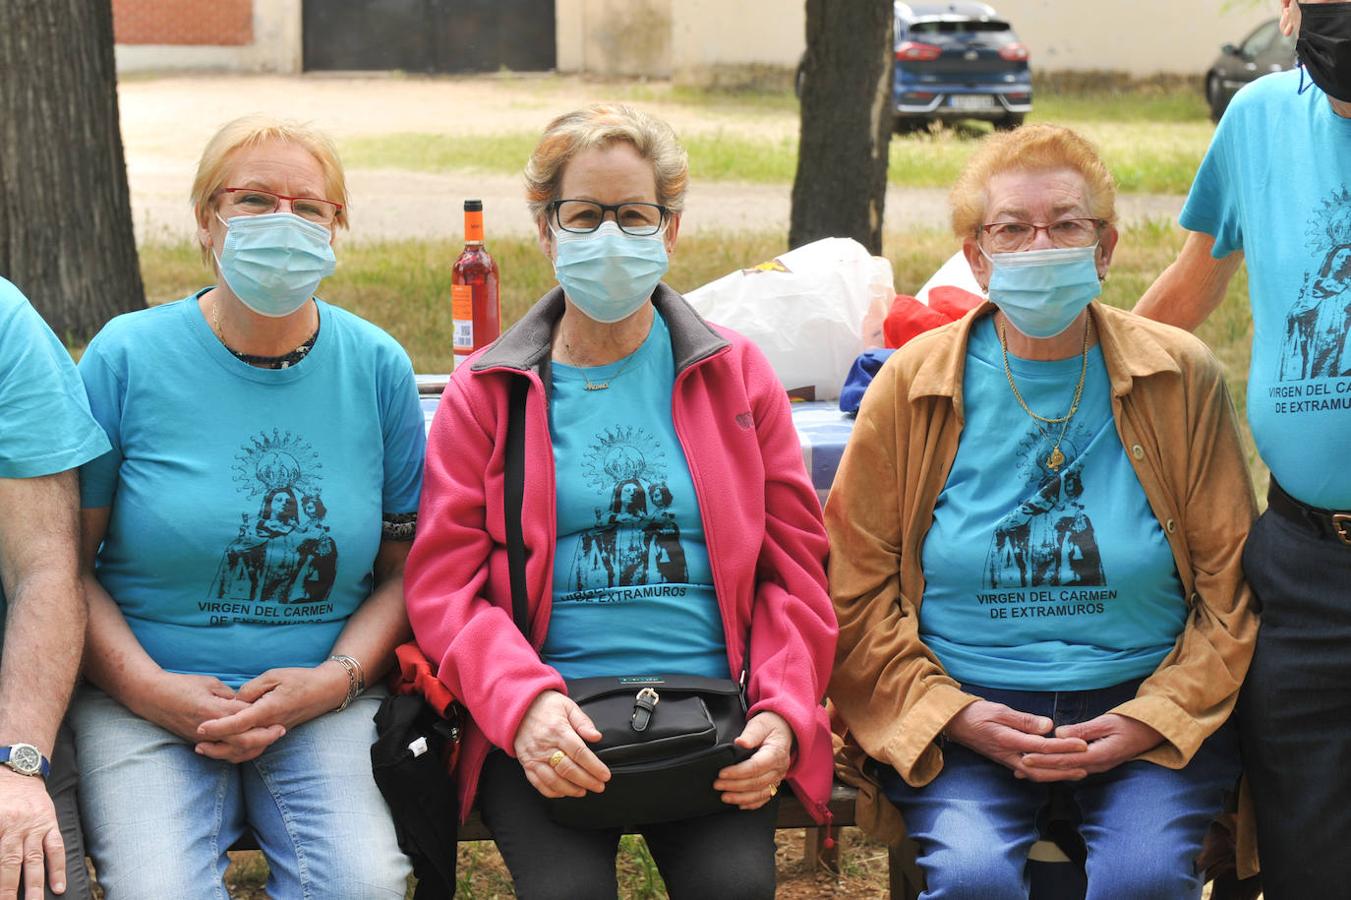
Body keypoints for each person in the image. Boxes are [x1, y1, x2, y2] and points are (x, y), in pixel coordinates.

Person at [405, 103, 837, 900]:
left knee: (732, 891)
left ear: (669, 231)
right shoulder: (488, 392)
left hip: (714, 717)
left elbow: (795, 572)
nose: (609, 235)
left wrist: (780, 712)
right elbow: (444, 588)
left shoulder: (738, 377)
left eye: (634, 214)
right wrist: (522, 704)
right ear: (545, 229)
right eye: (584, 214)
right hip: (549, 716)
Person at [827, 125, 1259, 898]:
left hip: (1143, 712)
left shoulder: (1178, 376)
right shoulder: (910, 384)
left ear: (1105, 247)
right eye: (1011, 228)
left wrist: (1148, 718)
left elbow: (1229, 592)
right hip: (963, 712)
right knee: (967, 880)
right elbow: (853, 590)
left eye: (1066, 224)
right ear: (975, 253)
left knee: (1142, 880)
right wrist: (951, 714)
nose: (1040, 244)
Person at [69, 116, 424, 899]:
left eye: (310, 206)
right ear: (206, 221)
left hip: (321, 699)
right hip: (145, 697)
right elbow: (65, 570)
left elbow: (404, 573)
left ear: (338, 229)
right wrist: (148, 690)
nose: (283, 223)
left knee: (363, 884)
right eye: (255, 200)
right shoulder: (126, 357)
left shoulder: (375, 367)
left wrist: (332, 681)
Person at [1134, 2, 1351, 893]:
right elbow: (1190, 288)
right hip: (1303, 565)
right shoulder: (1259, 117)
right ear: (1290, 10)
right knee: (1306, 851)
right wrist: (1042, 370)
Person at [0, 277, 109, 900]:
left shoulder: (5, 325)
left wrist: (18, 765)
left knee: (30, 873)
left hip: (6, 705)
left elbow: (44, 568)